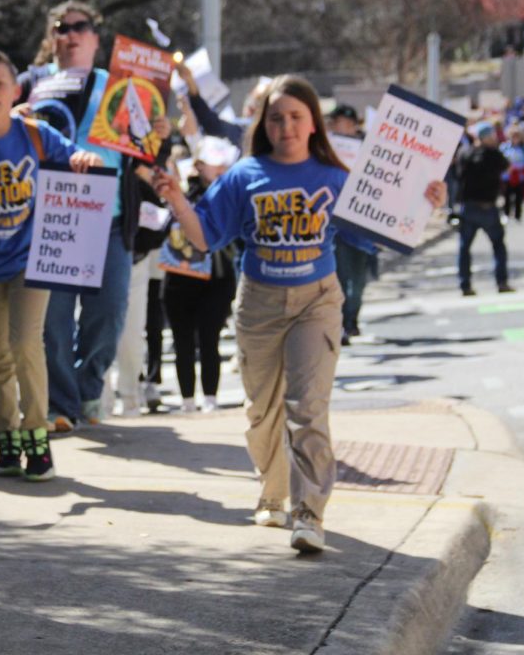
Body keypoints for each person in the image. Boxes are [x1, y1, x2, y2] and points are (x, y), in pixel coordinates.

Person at [153, 75, 444, 554]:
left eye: (295, 116)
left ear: (313, 124)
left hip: (317, 302)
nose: (285, 126)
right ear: (263, 125)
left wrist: (426, 203)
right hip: (260, 303)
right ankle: (272, 490)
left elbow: (379, 233)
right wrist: (177, 200)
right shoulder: (246, 176)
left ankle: (309, 512)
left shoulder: (335, 178)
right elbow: (205, 237)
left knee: (307, 407)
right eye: (276, 118)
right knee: (261, 411)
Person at [0, 46, 101, 480]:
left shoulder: (34, 135)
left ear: (14, 91)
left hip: (31, 258)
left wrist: (86, 159)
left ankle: (37, 439)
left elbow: (80, 159)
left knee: (27, 343)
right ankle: (6, 438)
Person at [18, 0, 137, 429]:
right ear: (51, 39)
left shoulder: (120, 86)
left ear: (95, 37)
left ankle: (89, 391)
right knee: (52, 319)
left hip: (109, 216)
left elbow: (145, 149)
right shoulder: (31, 84)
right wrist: (13, 119)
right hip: (53, 218)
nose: (69, 35)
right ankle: (62, 406)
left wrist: (157, 134)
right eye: (60, 27)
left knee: (109, 311)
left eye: (79, 26)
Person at [161, 137, 238, 413]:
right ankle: (187, 399)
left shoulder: (230, 192)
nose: (218, 169)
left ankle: (210, 396)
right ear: (198, 165)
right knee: (182, 340)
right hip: (179, 278)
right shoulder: (180, 190)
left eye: (222, 164)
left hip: (216, 279)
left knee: (209, 339)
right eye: (212, 164)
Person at [326, 105, 377, 343]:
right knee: (337, 278)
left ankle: (351, 320)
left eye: (345, 122)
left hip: (360, 226)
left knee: (357, 280)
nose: (341, 126)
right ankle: (341, 326)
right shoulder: (324, 148)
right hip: (333, 225)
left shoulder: (370, 149)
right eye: (337, 122)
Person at [457, 122, 513, 296]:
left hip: (469, 207)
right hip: (487, 208)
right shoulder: (493, 155)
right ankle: (501, 282)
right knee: (498, 245)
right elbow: (507, 166)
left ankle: (465, 285)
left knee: (464, 248)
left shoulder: (465, 153)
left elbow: (458, 173)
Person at [499, 123, 524, 221]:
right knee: (507, 196)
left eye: (517, 135)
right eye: (513, 135)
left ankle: (517, 215)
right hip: (507, 176)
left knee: (518, 196)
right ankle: (506, 213)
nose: (515, 138)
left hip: (520, 176)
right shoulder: (504, 147)